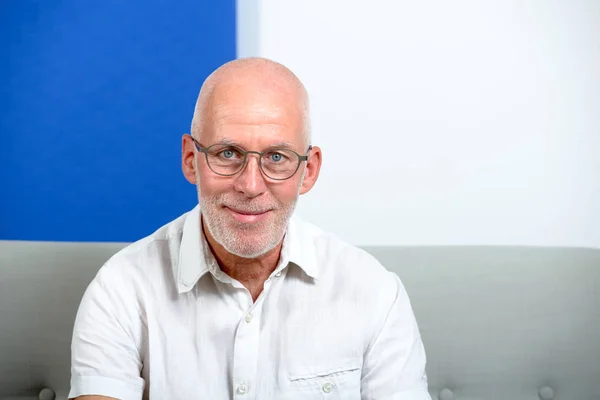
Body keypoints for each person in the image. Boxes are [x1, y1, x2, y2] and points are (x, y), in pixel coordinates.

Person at [69, 57, 431, 400]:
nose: (251, 185)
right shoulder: (121, 290)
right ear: (190, 160)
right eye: (228, 153)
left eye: (277, 157)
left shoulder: (375, 294)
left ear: (308, 171)